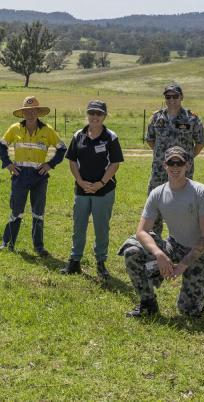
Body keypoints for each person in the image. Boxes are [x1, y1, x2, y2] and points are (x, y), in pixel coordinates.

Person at [119, 146, 204, 318]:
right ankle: (148, 303)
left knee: (188, 312)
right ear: (164, 165)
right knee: (132, 251)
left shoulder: (202, 193)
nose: (175, 166)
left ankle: (202, 285)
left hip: (198, 253)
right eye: (171, 162)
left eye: (180, 162)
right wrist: (160, 255)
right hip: (173, 246)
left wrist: (182, 266)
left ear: (187, 165)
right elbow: (142, 231)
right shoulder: (157, 193)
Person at [0, 96, 66, 257]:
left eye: (33, 110)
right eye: (27, 111)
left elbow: (62, 148)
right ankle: (7, 244)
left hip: (39, 177)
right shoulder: (14, 128)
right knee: (16, 210)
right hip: (20, 174)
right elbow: (1, 145)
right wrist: (7, 163)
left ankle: (38, 247)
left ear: (38, 112)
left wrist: (50, 164)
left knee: (38, 212)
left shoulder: (47, 130)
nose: (30, 114)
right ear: (23, 113)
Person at [61, 101, 124, 280]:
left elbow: (115, 163)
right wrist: (80, 181)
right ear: (87, 115)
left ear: (105, 116)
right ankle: (74, 262)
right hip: (81, 190)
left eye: (99, 114)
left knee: (101, 227)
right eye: (92, 113)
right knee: (78, 226)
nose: (95, 117)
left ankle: (101, 263)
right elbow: (72, 161)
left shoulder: (110, 137)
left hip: (103, 190)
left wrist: (101, 183)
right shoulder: (78, 135)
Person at [145, 84, 204, 237]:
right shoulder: (157, 117)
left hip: (182, 171)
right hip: (160, 170)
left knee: (183, 204)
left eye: (175, 96)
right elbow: (150, 139)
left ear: (181, 97)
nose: (171, 100)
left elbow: (200, 141)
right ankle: (154, 241)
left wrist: (187, 159)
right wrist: (162, 157)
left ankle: (183, 241)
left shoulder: (191, 118)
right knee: (155, 204)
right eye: (168, 97)